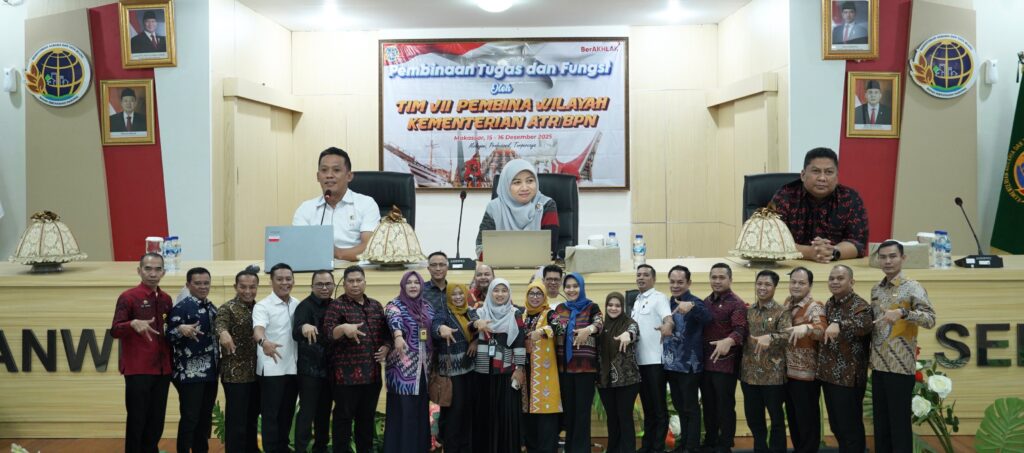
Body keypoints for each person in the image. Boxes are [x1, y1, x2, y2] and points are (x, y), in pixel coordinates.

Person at [871, 241, 937, 453]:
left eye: (892, 256)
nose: (887, 261)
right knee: (881, 426)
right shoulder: (876, 289)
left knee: (899, 427)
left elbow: (930, 319)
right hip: (878, 365)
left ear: (903, 258)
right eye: (883, 257)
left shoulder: (913, 287)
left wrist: (904, 313)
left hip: (900, 366)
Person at [323, 265, 391, 453]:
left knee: (366, 421)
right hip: (346, 378)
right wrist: (343, 328)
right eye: (350, 281)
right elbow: (327, 334)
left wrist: (386, 347)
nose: (355, 284)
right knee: (343, 421)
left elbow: (386, 333)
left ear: (365, 282)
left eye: (358, 280)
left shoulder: (375, 305)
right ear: (344, 284)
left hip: (372, 376)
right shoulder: (337, 306)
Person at [111, 253, 172, 453]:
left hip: (163, 370)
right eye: (148, 269)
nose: (153, 273)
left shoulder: (166, 299)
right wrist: (132, 324)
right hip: (138, 369)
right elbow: (115, 330)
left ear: (163, 272)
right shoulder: (128, 297)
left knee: (156, 422)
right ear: (139, 271)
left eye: (157, 269)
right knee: (137, 420)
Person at [769, 147, 869, 263]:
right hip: (793, 266)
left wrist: (833, 251)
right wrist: (809, 252)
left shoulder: (850, 198)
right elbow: (771, 240)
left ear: (837, 177)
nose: (822, 178)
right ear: (803, 175)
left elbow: (859, 243)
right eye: (816, 171)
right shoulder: (785, 196)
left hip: (835, 266)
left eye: (829, 172)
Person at [817, 265, 873, 453]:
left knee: (850, 428)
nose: (835, 282)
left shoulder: (860, 305)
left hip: (849, 377)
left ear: (852, 282)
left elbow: (864, 325)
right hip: (828, 375)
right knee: (837, 426)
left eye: (840, 278)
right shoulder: (830, 303)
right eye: (831, 278)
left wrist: (839, 324)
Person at [293, 147, 381, 261]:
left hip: (355, 268)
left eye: (336, 170)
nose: (329, 175)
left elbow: (369, 247)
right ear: (318, 176)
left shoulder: (366, 204)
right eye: (324, 170)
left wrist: (338, 253)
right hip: (317, 268)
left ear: (349, 176)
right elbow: (299, 247)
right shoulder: (305, 209)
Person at [470, 278, 527, 452]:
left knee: (506, 416)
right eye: (496, 290)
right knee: (484, 415)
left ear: (509, 293)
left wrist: (519, 368)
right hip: (483, 372)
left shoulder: (515, 314)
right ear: (490, 293)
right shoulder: (479, 312)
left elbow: (519, 343)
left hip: (506, 372)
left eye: (504, 290)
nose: (500, 294)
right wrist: (476, 324)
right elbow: (470, 326)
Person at [168, 267, 219, 453]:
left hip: (211, 373)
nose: (203, 287)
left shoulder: (211, 306)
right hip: (190, 374)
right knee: (190, 418)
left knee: (205, 417)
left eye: (206, 283)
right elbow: (168, 335)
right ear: (188, 285)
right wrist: (180, 329)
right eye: (198, 283)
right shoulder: (181, 307)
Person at [383, 271, 435, 453]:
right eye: (409, 282)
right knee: (403, 414)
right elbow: (394, 320)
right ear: (403, 285)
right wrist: (398, 336)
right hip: (402, 374)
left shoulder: (427, 307)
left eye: (416, 282)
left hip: (423, 372)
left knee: (420, 413)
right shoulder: (394, 305)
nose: (413, 286)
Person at [551, 272, 603, 453]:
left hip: (585, 370)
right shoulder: (559, 309)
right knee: (568, 413)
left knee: (582, 413)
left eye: (575, 286)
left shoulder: (591, 307)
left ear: (581, 287)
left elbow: (599, 323)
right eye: (568, 286)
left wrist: (589, 329)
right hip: (564, 370)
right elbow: (554, 327)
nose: (571, 290)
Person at [739, 270, 791, 453]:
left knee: (776, 419)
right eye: (759, 283)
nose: (762, 287)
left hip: (773, 376)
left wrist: (771, 337)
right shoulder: (748, 311)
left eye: (767, 284)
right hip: (749, 375)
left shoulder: (782, 312)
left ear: (775, 287)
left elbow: (788, 335)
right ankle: (760, 448)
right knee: (754, 419)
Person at [663, 265, 711, 453]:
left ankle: (692, 447)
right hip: (671, 365)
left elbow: (708, 318)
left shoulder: (696, 302)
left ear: (689, 283)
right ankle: (683, 444)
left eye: (680, 282)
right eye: (672, 282)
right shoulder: (668, 303)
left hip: (689, 366)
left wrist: (692, 307)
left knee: (691, 408)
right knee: (680, 407)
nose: (675, 285)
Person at [253, 263, 300, 453]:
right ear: (271, 281)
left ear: (293, 281)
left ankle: (283, 448)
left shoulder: (297, 304)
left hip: (293, 368)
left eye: (288, 279)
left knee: (287, 414)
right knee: (270, 416)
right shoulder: (262, 306)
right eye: (279, 279)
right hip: (272, 370)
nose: (284, 282)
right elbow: (258, 329)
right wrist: (264, 342)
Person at [701, 263, 747, 453]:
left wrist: (729, 340)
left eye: (722, 277)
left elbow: (740, 330)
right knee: (708, 405)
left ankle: (725, 443)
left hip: (726, 365)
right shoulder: (706, 301)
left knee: (725, 406)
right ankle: (710, 440)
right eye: (714, 277)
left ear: (730, 279)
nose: (717, 281)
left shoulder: (737, 303)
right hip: (706, 363)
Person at [215, 269, 262, 453]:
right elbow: (220, 323)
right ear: (235, 287)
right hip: (235, 375)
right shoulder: (227, 308)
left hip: (256, 374)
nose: (248, 291)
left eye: (252, 287)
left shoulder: (260, 308)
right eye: (243, 287)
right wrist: (223, 333)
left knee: (252, 419)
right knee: (236, 422)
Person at [476, 158, 560, 259]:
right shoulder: (494, 208)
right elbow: (481, 248)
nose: (525, 188)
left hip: (538, 267)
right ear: (506, 185)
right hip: (501, 267)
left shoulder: (546, 205)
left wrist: (504, 253)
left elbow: (549, 251)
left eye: (530, 181)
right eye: (517, 182)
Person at [782, 267, 826, 453]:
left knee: (807, 421)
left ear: (810, 285)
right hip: (788, 373)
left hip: (806, 376)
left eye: (801, 283)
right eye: (793, 282)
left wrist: (807, 328)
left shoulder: (815, 306)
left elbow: (822, 331)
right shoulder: (787, 303)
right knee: (793, 419)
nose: (796, 286)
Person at [630, 264, 673, 453]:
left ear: (653, 279)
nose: (641, 277)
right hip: (639, 363)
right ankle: (647, 445)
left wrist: (668, 325)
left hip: (655, 362)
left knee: (658, 409)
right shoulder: (636, 301)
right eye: (638, 274)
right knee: (647, 408)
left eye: (646, 275)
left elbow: (668, 318)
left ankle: (657, 448)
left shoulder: (659, 298)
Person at [432, 282, 479, 453]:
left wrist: (475, 341)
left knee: (468, 410)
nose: (458, 297)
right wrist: (441, 329)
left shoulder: (471, 312)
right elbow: (435, 328)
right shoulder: (443, 313)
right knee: (454, 413)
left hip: (470, 369)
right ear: (448, 296)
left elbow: (478, 329)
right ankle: (451, 448)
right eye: (454, 294)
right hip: (452, 373)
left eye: (461, 293)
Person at [292, 270, 335, 453]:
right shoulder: (304, 306)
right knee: (307, 413)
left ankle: (320, 448)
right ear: (312, 286)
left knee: (324, 413)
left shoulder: (335, 305)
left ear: (333, 285)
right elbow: (295, 332)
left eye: (328, 284)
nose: (324, 288)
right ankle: (300, 449)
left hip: (330, 370)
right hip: (309, 371)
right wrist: (304, 327)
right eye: (320, 284)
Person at [596, 292, 640, 453]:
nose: (613, 308)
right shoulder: (601, 326)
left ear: (622, 307)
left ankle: (628, 450)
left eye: (617, 305)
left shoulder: (629, 323)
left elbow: (633, 331)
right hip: (605, 380)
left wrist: (628, 335)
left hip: (627, 381)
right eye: (610, 305)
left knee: (624, 417)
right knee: (612, 418)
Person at [522, 281, 562, 453]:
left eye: (539, 293)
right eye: (531, 293)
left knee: (546, 416)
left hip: (544, 372)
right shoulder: (523, 315)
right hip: (525, 371)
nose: (535, 297)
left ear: (544, 296)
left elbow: (560, 327)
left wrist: (543, 331)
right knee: (528, 416)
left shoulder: (550, 313)